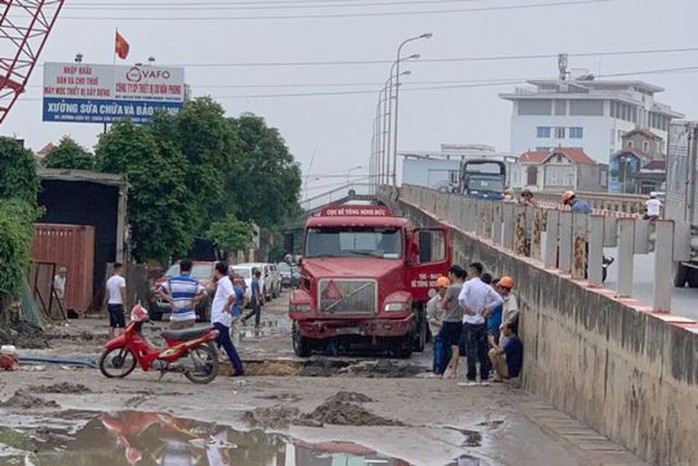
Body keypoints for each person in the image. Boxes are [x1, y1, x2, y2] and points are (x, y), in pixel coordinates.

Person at [458, 262, 504, 384]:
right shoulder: (486, 287)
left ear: (472, 271)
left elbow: (461, 298)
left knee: (471, 350)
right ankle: (484, 377)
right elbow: (499, 299)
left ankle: (471, 377)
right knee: (483, 350)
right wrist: (488, 308)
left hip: (469, 320)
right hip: (481, 320)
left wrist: (466, 308)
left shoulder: (468, 285)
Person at [211, 262, 245, 376]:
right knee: (224, 345)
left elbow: (232, 296)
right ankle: (238, 367)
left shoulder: (224, 282)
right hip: (221, 319)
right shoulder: (222, 282)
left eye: (214, 270)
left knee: (215, 344)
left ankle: (209, 367)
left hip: (220, 319)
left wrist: (226, 306)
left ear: (217, 271)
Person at [158, 259, 207, 330]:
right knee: (188, 339)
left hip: (176, 316)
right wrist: (194, 300)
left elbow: (159, 290)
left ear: (180, 268)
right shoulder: (194, 282)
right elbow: (205, 293)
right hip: (189, 316)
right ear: (191, 269)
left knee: (174, 338)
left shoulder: (172, 280)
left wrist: (169, 300)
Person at [441, 265, 467, 379]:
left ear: (453, 274)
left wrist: (447, 306)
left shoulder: (452, 288)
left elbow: (443, 304)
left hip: (449, 319)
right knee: (455, 346)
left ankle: (442, 369)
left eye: (449, 274)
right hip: (461, 319)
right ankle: (454, 371)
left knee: (445, 345)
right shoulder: (465, 287)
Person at [426, 276, 450, 376]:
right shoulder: (433, 302)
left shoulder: (450, 301)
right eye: (443, 288)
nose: (445, 290)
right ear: (439, 288)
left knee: (448, 352)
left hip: (448, 330)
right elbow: (430, 318)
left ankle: (443, 370)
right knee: (438, 351)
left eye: (446, 288)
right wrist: (440, 324)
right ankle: (437, 370)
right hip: (437, 330)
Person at [105, 263, 127, 339]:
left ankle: (111, 339)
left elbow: (107, 294)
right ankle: (122, 339)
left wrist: (106, 303)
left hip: (111, 303)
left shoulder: (109, 280)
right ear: (120, 269)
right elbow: (123, 293)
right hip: (118, 304)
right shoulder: (121, 280)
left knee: (112, 324)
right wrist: (124, 306)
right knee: (121, 324)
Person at [496, 276, 519, 348]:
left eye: (500, 288)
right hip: (504, 329)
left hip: (507, 330)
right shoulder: (506, 298)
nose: (498, 290)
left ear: (505, 288)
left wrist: (506, 323)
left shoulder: (511, 299)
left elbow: (514, 311)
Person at [229, 270, 246, 346]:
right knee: (236, 330)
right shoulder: (238, 289)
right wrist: (242, 307)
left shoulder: (227, 289)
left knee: (228, 330)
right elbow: (246, 298)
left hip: (228, 313)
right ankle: (236, 346)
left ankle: (228, 346)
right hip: (237, 312)